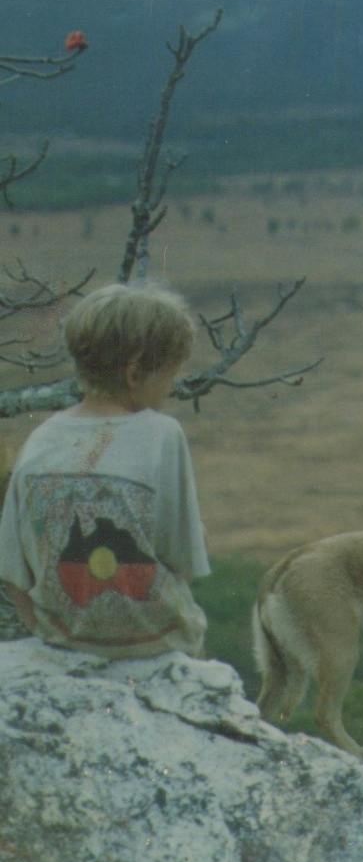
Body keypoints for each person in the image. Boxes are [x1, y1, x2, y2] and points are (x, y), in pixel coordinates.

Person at [0, 281, 210, 659]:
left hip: (61, 644)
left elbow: (14, 573)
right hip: (157, 645)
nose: (171, 387)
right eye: (168, 375)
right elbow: (185, 559)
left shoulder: (40, 438)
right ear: (134, 373)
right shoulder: (162, 433)